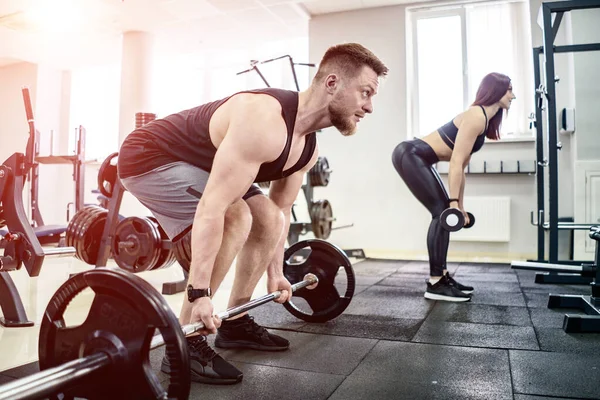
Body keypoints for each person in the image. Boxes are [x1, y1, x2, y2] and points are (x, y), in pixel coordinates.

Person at [117, 43, 388, 384]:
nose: (369, 107)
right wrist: (199, 294)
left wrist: (276, 274)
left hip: (202, 164)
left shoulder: (307, 146)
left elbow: (280, 212)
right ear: (332, 83)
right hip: (149, 157)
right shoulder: (263, 119)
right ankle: (185, 343)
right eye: (365, 93)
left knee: (267, 217)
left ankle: (236, 322)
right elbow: (213, 207)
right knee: (237, 216)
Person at [391, 72, 516, 302]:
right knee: (441, 213)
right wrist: (453, 203)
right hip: (410, 154)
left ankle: (443, 276)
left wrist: (460, 207)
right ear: (496, 90)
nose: (513, 95)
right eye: (509, 89)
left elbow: (462, 169)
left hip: (419, 158)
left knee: (444, 214)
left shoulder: (484, 121)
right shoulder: (475, 116)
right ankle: (435, 282)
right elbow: (455, 164)